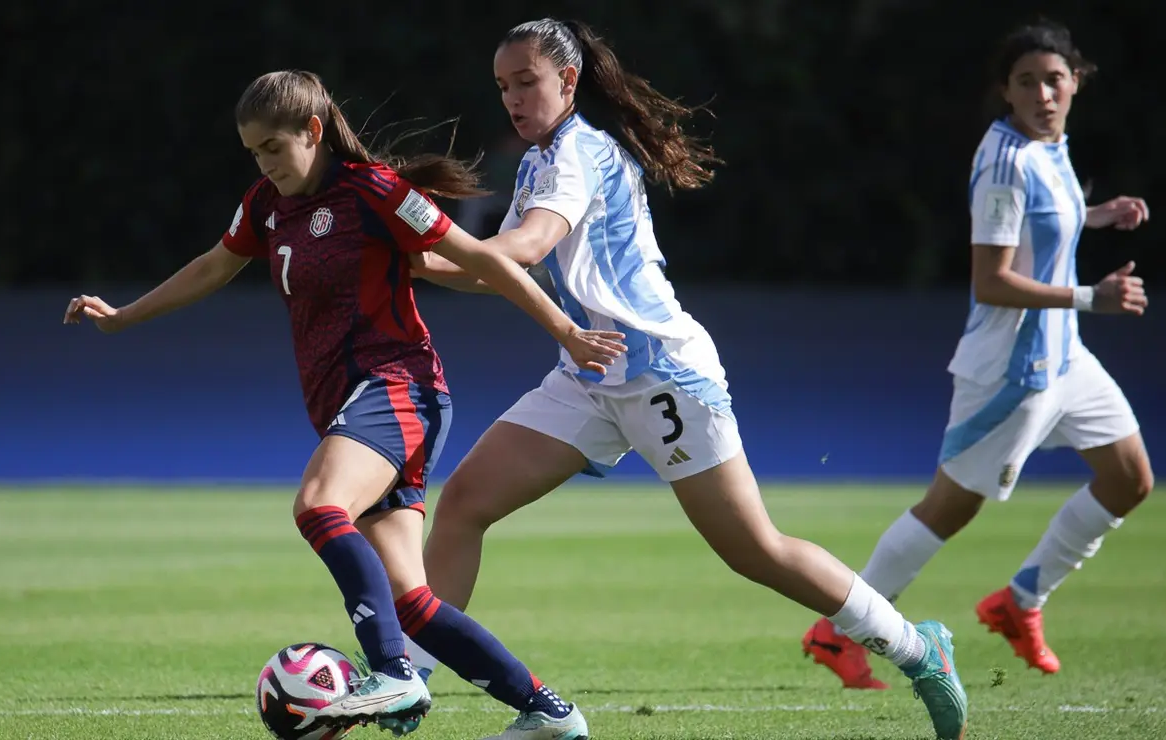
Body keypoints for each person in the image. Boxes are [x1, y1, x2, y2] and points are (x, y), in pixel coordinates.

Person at [402, 18, 968, 740]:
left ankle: (920, 650)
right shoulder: (539, 164)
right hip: (589, 373)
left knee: (754, 550)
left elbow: (525, 245)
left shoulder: (579, 153)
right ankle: (411, 679)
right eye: (503, 86)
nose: (512, 98)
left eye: (526, 81)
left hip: (662, 372)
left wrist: (423, 243)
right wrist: (416, 264)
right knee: (465, 506)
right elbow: (500, 269)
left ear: (568, 82)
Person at [63, 69, 623, 737]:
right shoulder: (266, 205)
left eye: (275, 146)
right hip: (352, 403)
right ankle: (547, 713)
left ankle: (392, 674)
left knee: (319, 506)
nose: (266, 164)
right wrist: (124, 317)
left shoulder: (376, 191)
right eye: (254, 153)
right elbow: (214, 264)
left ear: (313, 131)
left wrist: (564, 330)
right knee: (412, 602)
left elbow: (480, 259)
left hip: (398, 386)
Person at [802, 19, 1154, 690]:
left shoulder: (1050, 146)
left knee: (1129, 478)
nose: (1044, 94)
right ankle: (836, 630)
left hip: (1064, 359)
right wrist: (1091, 297)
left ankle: (1021, 602)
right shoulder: (1004, 160)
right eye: (1028, 83)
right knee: (949, 508)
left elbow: (1041, 218)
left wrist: (1092, 214)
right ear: (1006, 91)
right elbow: (991, 279)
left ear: (1075, 82)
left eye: (1055, 80)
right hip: (1011, 371)